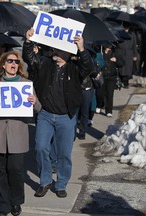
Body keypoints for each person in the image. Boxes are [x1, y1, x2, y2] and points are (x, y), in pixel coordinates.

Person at [22, 28, 95, 198]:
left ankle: (61, 183)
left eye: (59, 49)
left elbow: (89, 67)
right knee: (40, 148)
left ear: (68, 53)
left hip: (66, 117)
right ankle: (45, 181)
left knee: (63, 153)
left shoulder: (75, 68)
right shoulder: (45, 63)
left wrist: (82, 48)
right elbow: (29, 59)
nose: (55, 51)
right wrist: (27, 41)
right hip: (45, 115)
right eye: (55, 49)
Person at [0, 50, 42, 216]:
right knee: (1, 171)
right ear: (3, 64)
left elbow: (39, 108)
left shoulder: (26, 83)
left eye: (16, 62)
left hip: (17, 134)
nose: (13, 64)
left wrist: (34, 102)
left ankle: (16, 201)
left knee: (15, 169)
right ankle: (4, 205)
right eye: (10, 61)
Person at [96, 43, 125, 117]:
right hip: (101, 76)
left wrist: (116, 60)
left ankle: (109, 110)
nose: (109, 48)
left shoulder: (115, 53)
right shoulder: (100, 52)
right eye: (108, 46)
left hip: (111, 77)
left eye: (110, 46)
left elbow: (122, 63)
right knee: (100, 93)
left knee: (109, 93)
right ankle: (99, 105)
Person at [116, 22, 138, 88]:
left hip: (129, 53)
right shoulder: (120, 33)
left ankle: (126, 82)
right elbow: (118, 44)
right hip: (121, 53)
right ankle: (122, 80)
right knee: (122, 68)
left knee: (128, 69)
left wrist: (135, 55)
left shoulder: (132, 34)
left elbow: (134, 45)